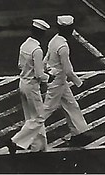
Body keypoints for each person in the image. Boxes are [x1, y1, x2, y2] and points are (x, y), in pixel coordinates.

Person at [39, 15, 90, 143]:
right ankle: (25, 137)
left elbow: (46, 58)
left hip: (57, 80)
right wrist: (80, 83)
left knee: (72, 105)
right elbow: (68, 70)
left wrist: (45, 70)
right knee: (47, 109)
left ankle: (78, 133)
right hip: (58, 82)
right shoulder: (63, 47)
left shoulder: (54, 40)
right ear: (71, 29)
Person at [8, 19, 50, 153]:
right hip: (32, 86)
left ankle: (38, 146)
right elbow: (39, 74)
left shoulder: (25, 45)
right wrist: (49, 77)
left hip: (23, 82)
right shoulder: (37, 50)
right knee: (39, 118)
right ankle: (15, 141)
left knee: (31, 117)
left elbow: (20, 65)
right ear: (42, 34)